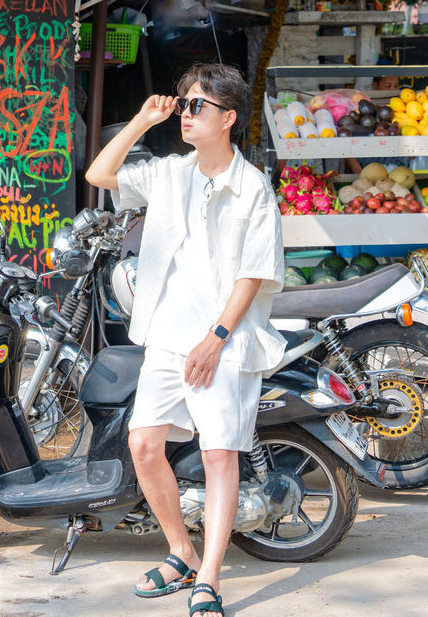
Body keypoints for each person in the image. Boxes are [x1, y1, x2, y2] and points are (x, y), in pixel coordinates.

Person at [85, 62, 285, 617]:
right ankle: (182, 551)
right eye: (185, 102)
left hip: (223, 343)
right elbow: (100, 175)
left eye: (198, 105)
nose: (186, 113)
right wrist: (142, 122)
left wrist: (216, 337)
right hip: (168, 340)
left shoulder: (251, 188)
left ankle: (210, 580)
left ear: (229, 118)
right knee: (144, 445)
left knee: (220, 456)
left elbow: (254, 272)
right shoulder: (171, 173)